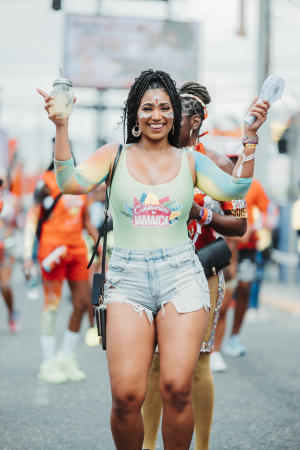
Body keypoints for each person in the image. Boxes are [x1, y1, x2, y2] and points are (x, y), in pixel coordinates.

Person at [38, 69, 269, 450]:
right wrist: (62, 125)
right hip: (126, 279)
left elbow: (236, 187)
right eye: (148, 108)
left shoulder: (190, 162)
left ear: (175, 114)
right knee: (127, 397)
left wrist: (251, 138)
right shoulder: (114, 155)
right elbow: (69, 182)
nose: (156, 115)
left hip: (181, 275)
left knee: (178, 388)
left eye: (165, 107)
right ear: (135, 113)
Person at [141, 81, 248, 450]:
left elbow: (240, 224)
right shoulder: (154, 158)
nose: (169, 124)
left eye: (178, 116)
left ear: (198, 121)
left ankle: (201, 446)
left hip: (202, 272)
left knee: (200, 362)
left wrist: (201, 212)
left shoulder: (217, 163)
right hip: (155, 272)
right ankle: (147, 445)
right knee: (154, 363)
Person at [23, 158, 100, 384]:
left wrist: (99, 243)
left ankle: (66, 357)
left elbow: (85, 221)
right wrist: (28, 256)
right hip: (51, 252)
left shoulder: (80, 185)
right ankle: (48, 363)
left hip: (77, 251)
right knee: (52, 306)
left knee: (82, 302)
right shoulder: (46, 183)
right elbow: (32, 219)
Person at [214, 174, 272, 363]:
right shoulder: (217, 183)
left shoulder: (254, 186)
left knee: (245, 287)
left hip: (247, 249)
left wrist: (252, 228)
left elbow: (267, 213)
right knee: (222, 299)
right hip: (223, 246)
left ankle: (234, 337)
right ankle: (213, 346)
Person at [0, 171, 19, 333]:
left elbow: (15, 223)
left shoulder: (12, 200)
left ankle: (11, 312)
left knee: (5, 286)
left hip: (6, 246)